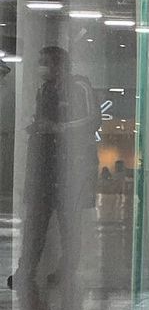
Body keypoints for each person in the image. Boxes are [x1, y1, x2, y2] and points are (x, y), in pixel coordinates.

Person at [9, 45, 96, 290]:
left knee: (69, 225)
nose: (43, 68)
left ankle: (66, 271)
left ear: (61, 65)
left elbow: (92, 120)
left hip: (71, 168)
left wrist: (58, 128)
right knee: (35, 224)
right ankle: (25, 270)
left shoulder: (79, 86)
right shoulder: (44, 89)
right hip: (45, 167)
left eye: (47, 62)